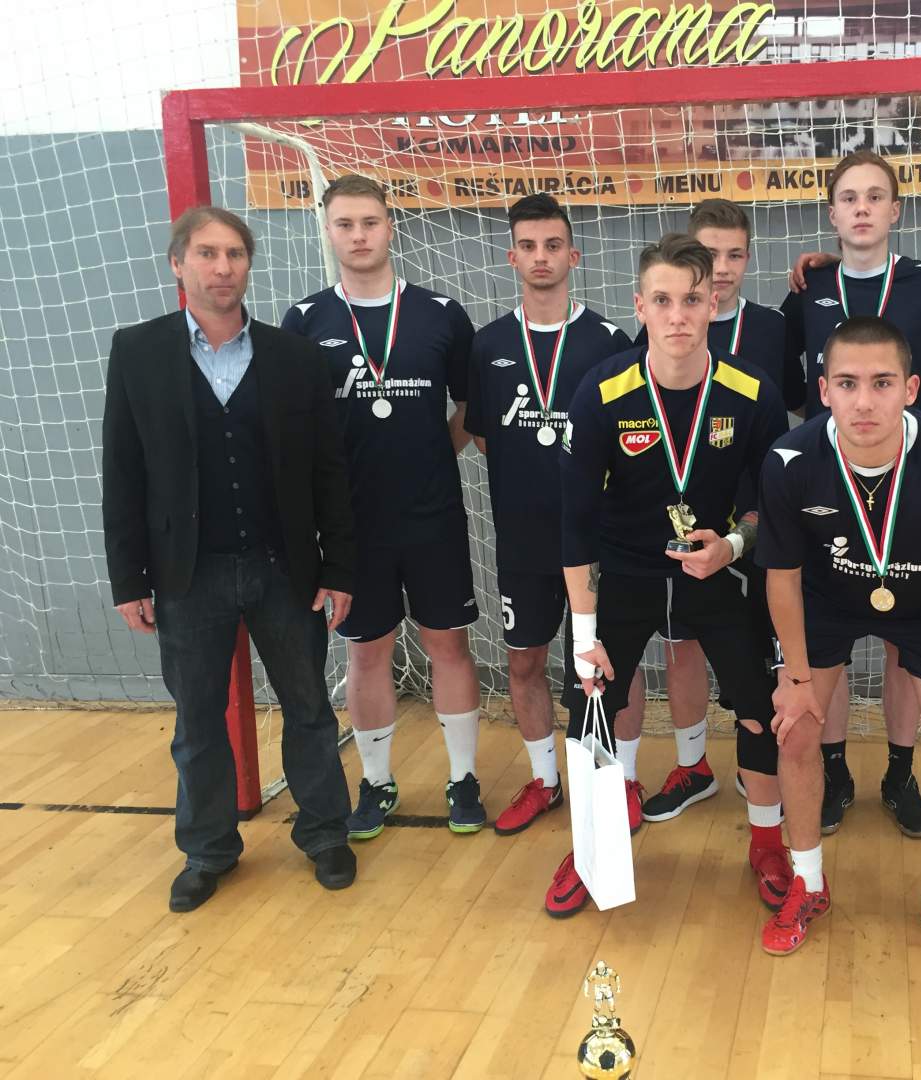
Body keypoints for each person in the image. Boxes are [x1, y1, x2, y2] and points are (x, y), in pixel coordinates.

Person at [102, 206, 357, 912]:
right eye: (207, 254)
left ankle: (325, 832)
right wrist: (129, 578)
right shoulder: (137, 351)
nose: (222, 268)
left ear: (248, 265)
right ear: (177, 263)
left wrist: (339, 567)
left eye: (235, 254)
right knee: (197, 722)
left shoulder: (294, 357)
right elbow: (122, 472)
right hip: (187, 575)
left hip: (284, 569)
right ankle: (208, 849)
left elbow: (328, 472)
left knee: (309, 707)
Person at [551, 233, 789, 918]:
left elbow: (773, 507)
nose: (678, 315)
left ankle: (768, 843)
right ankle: (592, 849)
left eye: (691, 299)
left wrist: (734, 546)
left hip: (716, 573)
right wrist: (584, 636)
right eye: (662, 300)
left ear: (714, 302)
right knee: (591, 703)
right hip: (623, 575)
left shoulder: (752, 391)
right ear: (640, 306)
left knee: (758, 707)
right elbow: (573, 522)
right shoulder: (601, 390)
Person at [758, 316, 921, 963]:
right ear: (823, 390)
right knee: (796, 729)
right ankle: (808, 882)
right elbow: (782, 578)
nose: (864, 401)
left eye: (882, 383)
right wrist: (796, 679)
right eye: (848, 383)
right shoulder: (789, 460)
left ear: (911, 388)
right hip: (825, 600)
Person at [282, 175, 485, 838]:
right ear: (329, 231)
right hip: (352, 527)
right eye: (345, 224)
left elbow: (472, 407)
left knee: (448, 645)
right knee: (366, 653)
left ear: (389, 226)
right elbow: (297, 428)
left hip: (431, 515)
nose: (359, 235)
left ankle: (463, 780)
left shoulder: (440, 313)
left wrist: (430, 454)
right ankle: (376, 782)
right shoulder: (305, 320)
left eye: (369, 221)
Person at [780, 150, 921, 839]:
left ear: (895, 210)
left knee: (901, 642)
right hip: (828, 484)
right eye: (849, 197)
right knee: (825, 640)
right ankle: (833, 771)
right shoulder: (809, 288)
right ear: (832, 213)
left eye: (875, 196)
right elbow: (788, 380)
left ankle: (898, 771)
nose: (862, 208)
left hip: (909, 482)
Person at [465, 193, 633, 836]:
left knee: (604, 668)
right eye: (528, 246)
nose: (541, 257)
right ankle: (545, 780)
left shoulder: (608, 342)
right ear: (512, 257)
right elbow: (485, 437)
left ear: (573, 255)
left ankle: (618, 782)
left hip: (597, 542)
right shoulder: (488, 344)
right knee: (524, 663)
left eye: (553, 245)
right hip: (523, 541)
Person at [632, 198, 798, 823]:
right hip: (684, 524)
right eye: (708, 254)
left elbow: (797, 412)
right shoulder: (660, 328)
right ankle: (693, 764)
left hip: (756, 524)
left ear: (749, 259)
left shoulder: (775, 328)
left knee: (761, 659)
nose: (720, 268)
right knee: (683, 644)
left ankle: (766, 783)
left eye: (734, 255)